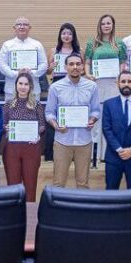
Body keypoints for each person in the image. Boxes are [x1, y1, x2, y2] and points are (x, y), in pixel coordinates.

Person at [45, 54, 100, 189]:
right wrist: (56, 125)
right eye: (71, 64)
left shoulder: (92, 86)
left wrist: (92, 120)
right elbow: (49, 112)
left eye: (78, 64)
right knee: (58, 183)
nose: (75, 67)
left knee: (83, 184)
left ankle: (82, 210)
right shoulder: (55, 87)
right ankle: (58, 210)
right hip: (62, 141)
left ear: (82, 67)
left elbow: (96, 110)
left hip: (84, 141)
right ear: (65, 67)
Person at [85, 14, 127, 159]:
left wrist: (120, 77)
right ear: (100, 26)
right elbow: (87, 62)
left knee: (112, 119)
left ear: (113, 25)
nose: (106, 26)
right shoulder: (93, 43)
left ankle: (108, 154)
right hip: (97, 84)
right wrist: (88, 75)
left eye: (109, 23)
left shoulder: (120, 43)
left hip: (113, 85)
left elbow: (123, 63)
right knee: (96, 119)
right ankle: (94, 155)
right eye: (103, 23)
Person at [2, 73, 46, 201]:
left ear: (30, 87)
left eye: (26, 84)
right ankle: (13, 216)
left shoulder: (36, 105)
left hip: (31, 148)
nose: (23, 87)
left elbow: (42, 125)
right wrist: (6, 128)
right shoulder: (8, 104)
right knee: (13, 185)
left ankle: (30, 216)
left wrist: (37, 134)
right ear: (16, 85)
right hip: (12, 149)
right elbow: (3, 124)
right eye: (20, 83)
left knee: (30, 185)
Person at [44, 22, 81, 160]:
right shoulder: (53, 51)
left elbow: (81, 71)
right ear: (60, 35)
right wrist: (51, 67)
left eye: (69, 33)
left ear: (73, 36)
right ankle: (50, 153)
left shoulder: (79, 51)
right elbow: (47, 71)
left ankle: (72, 152)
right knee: (53, 115)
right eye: (64, 33)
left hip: (74, 84)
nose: (66, 36)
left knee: (71, 115)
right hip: (57, 84)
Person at [0, 16, 47, 101]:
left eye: (25, 24)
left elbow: (44, 64)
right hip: (12, 89)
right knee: (11, 114)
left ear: (29, 28)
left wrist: (32, 72)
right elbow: (2, 65)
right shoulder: (7, 45)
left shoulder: (37, 45)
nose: (22, 27)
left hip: (33, 89)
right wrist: (16, 73)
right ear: (14, 28)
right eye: (19, 24)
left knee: (33, 114)